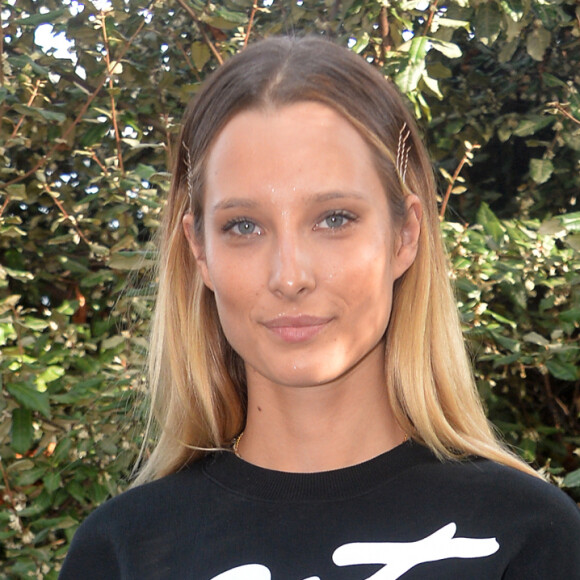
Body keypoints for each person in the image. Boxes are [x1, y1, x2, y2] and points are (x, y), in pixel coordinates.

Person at [59, 36, 580, 579]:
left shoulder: (527, 533)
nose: (289, 277)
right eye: (244, 226)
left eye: (334, 218)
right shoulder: (120, 551)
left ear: (405, 235)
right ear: (199, 253)